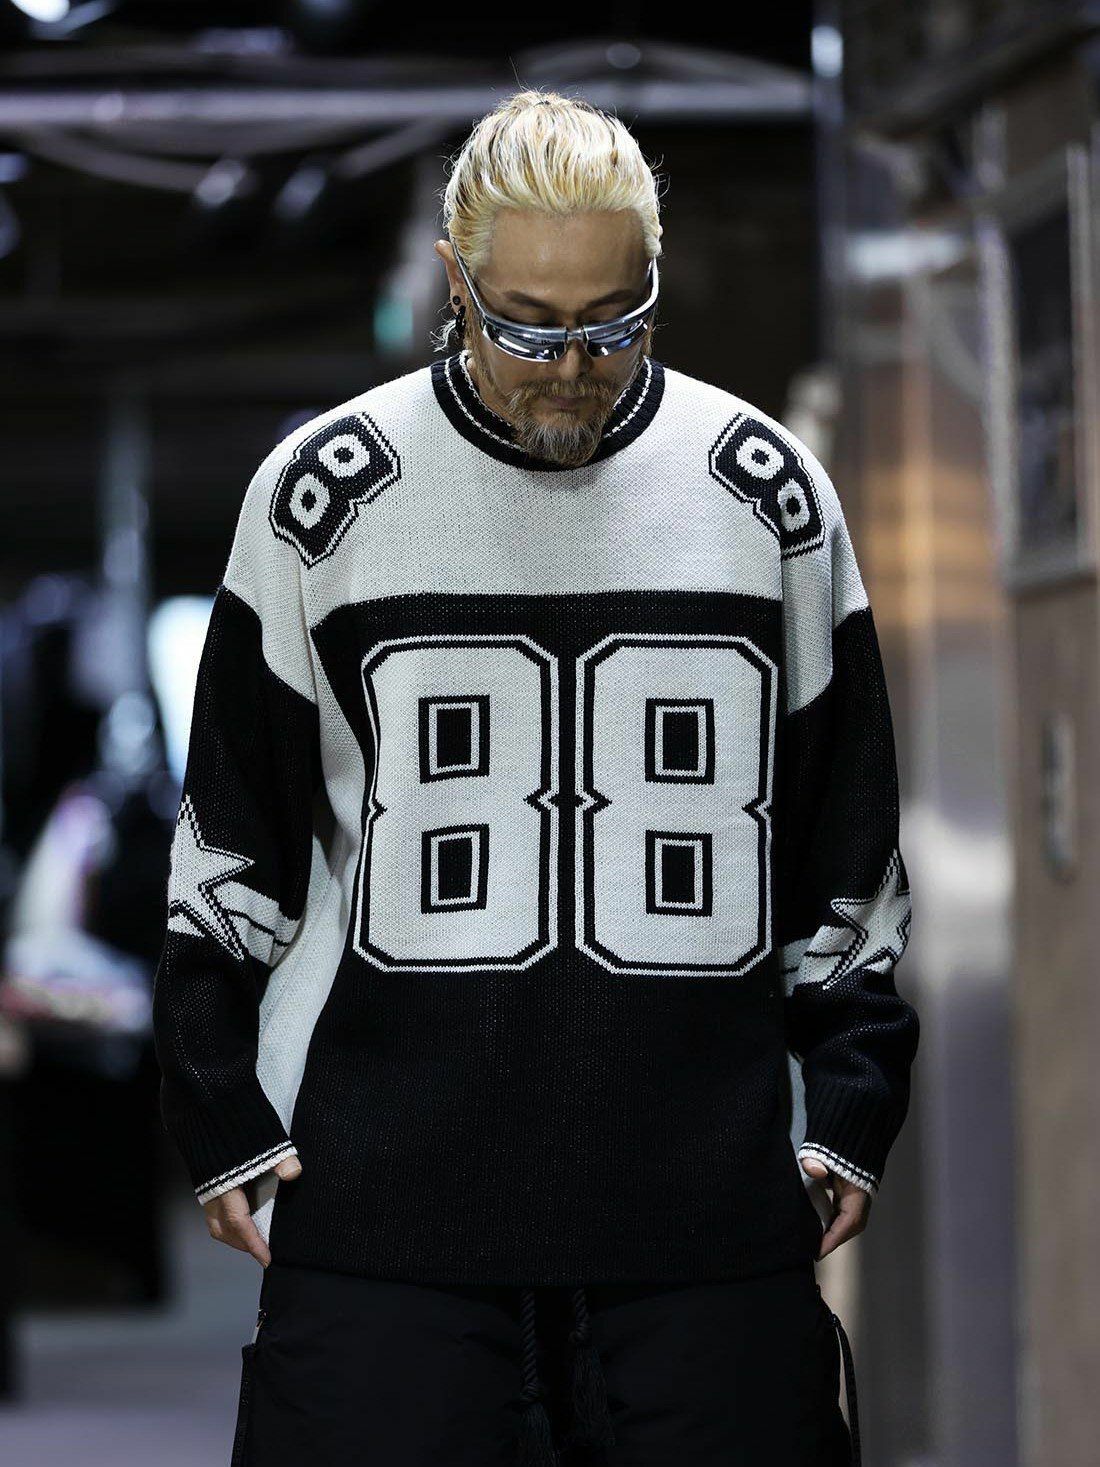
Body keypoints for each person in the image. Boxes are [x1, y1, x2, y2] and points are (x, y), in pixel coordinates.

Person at [152, 88, 919, 1467]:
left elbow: (843, 834)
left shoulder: (765, 494)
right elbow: (233, 838)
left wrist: (854, 1100)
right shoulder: (327, 494)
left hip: (702, 1209)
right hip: (386, 1202)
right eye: (526, 324)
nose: (571, 365)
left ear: (655, 281)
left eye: (615, 322)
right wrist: (217, 1105)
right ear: (457, 284)